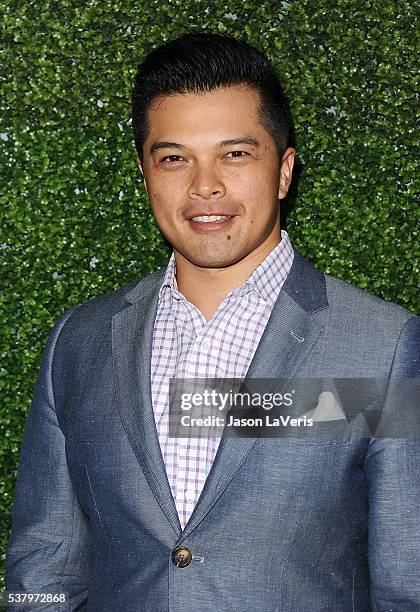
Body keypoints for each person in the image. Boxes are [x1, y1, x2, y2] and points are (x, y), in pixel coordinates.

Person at [5, 32, 420, 611]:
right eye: (175, 158)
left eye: (236, 154)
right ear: (145, 172)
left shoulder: (382, 346)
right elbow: (42, 569)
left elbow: (408, 583)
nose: (205, 186)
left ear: (283, 170)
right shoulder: (80, 340)